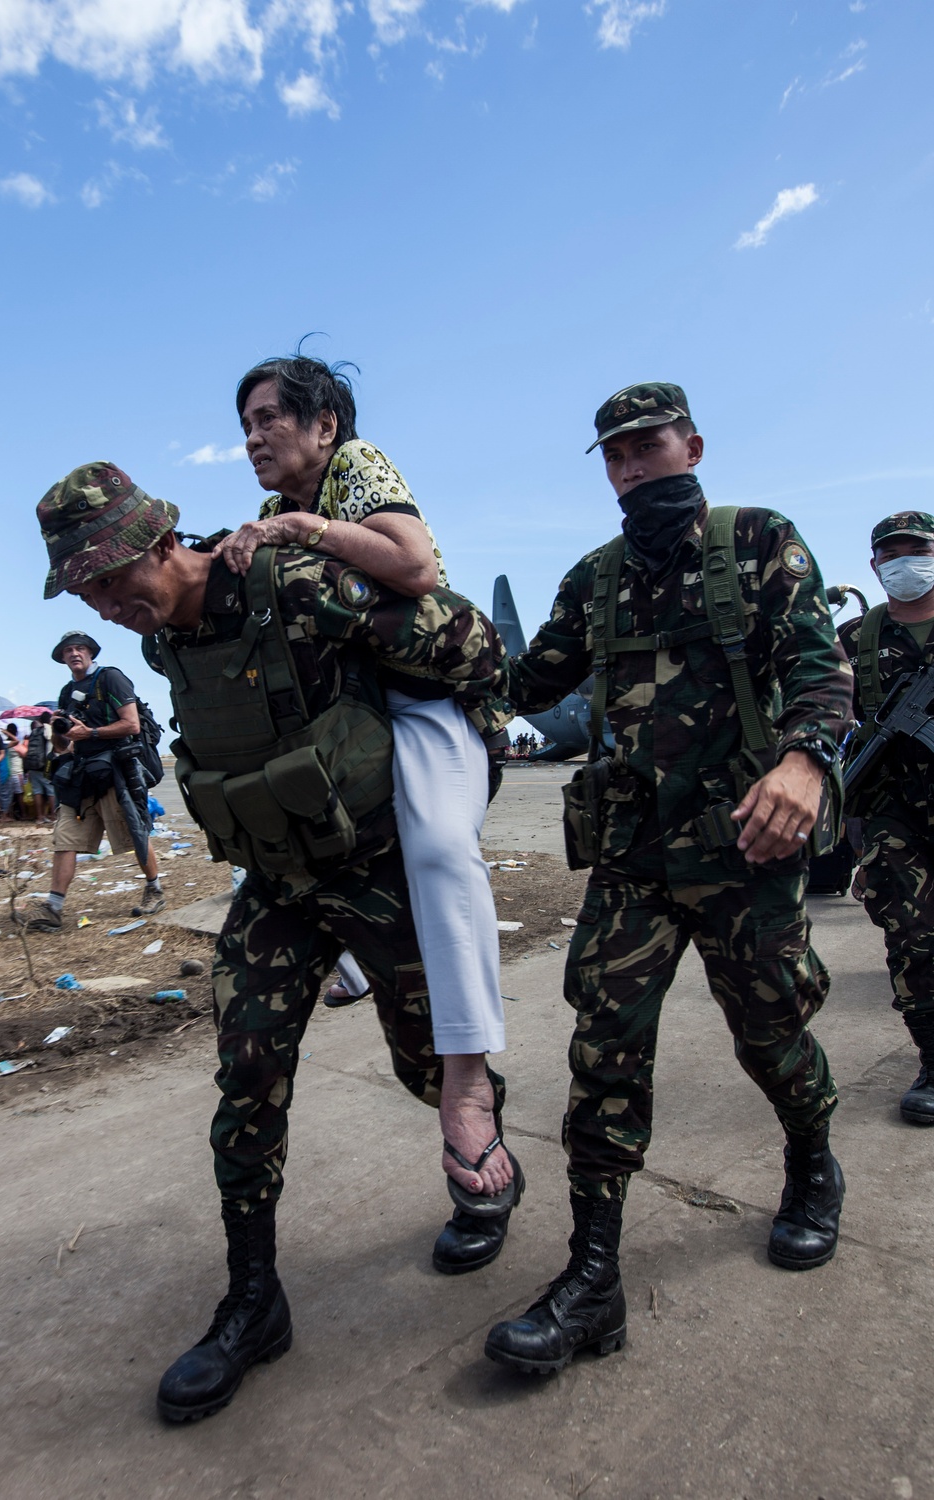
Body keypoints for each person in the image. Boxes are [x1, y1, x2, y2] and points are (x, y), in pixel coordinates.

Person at [33, 459, 522, 1422]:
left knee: (431, 1063)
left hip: (378, 869)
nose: (103, 601)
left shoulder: (289, 583)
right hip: (281, 888)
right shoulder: (166, 639)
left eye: (108, 576)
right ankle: (253, 1303)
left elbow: (469, 644)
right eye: (83, 588)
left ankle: (481, 1171)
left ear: (159, 545)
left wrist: (464, 755)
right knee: (246, 1071)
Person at [483, 381, 855, 1377]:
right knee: (602, 1045)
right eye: (614, 454)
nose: (631, 465)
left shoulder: (759, 543)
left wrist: (803, 762)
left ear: (690, 444)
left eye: (647, 445)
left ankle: (812, 1167)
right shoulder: (592, 581)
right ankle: (591, 1280)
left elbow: (821, 669)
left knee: (772, 1031)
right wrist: (407, 627)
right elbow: (520, 683)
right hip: (634, 859)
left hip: (748, 845)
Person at [214, 353, 512, 1204]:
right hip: (345, 718)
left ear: (325, 426)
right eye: (245, 426)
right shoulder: (273, 509)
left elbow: (413, 567)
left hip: (423, 702)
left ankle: (465, 1079)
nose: (254, 438)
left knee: (443, 851)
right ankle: (345, 953)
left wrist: (295, 533)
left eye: (270, 418)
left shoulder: (357, 469)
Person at [838, 511, 934, 1125]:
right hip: (891, 812)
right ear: (875, 567)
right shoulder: (853, 640)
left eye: (916, 550)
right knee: (910, 935)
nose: (903, 563)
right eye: (890, 554)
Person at [13, 631, 163, 932]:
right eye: (68, 650)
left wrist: (91, 733)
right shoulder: (67, 691)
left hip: (116, 771)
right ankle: (54, 909)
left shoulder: (110, 679)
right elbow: (61, 746)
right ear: (62, 657)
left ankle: (154, 889)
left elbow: (131, 724)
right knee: (65, 839)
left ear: (91, 652)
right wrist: (58, 728)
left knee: (134, 833)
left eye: (80, 648)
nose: (74, 653)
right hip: (82, 773)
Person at [24, 712, 55, 822]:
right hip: (44, 765)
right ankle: (53, 816)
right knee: (51, 791)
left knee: (37, 792)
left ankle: (40, 817)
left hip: (32, 766)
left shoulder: (34, 731)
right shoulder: (48, 730)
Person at [0, 722, 27, 820]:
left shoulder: (4, 744)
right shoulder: (15, 745)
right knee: (19, 795)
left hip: (8, 772)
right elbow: (25, 754)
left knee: (9, 795)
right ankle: (23, 814)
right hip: (16, 772)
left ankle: (10, 814)